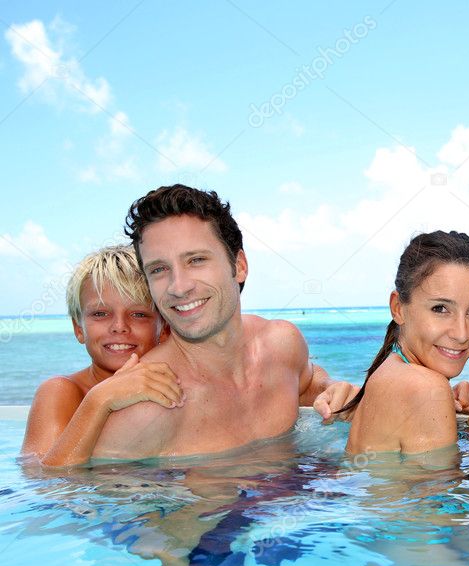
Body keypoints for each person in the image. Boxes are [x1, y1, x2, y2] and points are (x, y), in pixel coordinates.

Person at [92, 184, 356, 458]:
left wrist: (331, 390)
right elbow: (88, 492)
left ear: (239, 265)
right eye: (159, 269)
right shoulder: (147, 409)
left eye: (196, 260)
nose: (178, 287)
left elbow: (307, 381)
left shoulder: (282, 344)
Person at [22, 245, 182, 466]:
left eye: (138, 314)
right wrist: (100, 399)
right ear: (79, 329)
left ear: (164, 328)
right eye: (100, 314)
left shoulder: (176, 387)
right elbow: (45, 483)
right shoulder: (61, 391)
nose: (119, 327)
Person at [339, 230, 469, 454]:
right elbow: (442, 488)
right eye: (440, 309)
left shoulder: (391, 373)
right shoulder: (425, 388)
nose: (461, 333)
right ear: (398, 308)